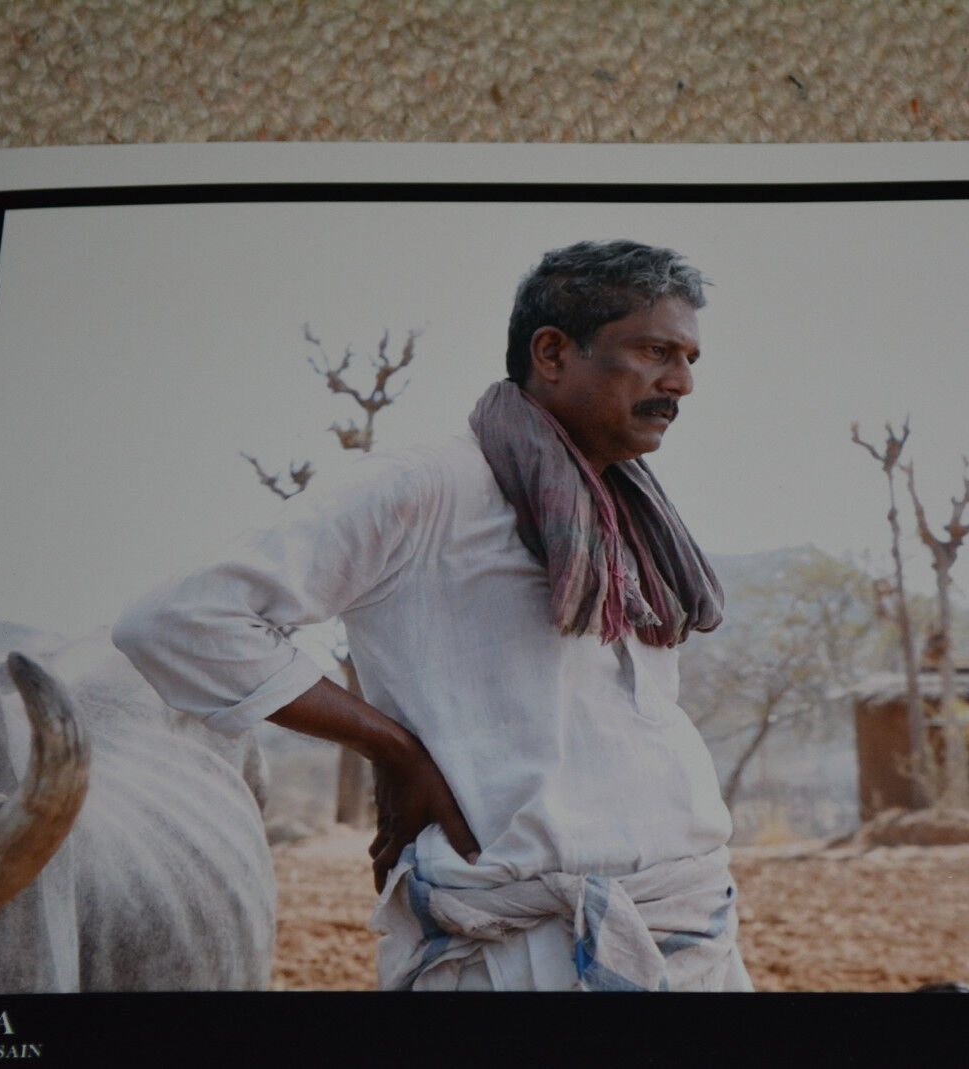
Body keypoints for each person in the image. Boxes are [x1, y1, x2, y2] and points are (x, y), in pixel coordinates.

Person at [113, 240, 751, 992]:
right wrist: (395, 749)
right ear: (552, 352)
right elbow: (181, 619)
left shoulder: (630, 510)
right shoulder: (428, 486)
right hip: (511, 955)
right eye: (654, 351)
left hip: (691, 930)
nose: (679, 382)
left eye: (689, 359)